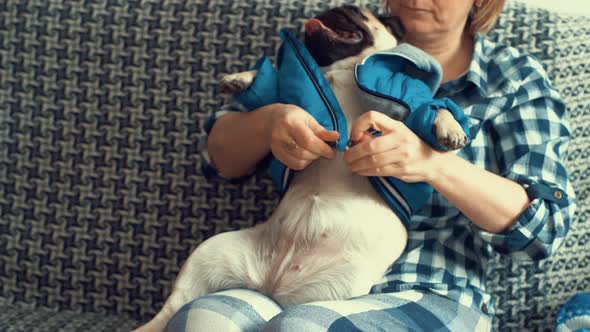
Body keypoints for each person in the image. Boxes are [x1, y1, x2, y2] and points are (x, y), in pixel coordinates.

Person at [172, 0, 577, 330]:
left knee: (303, 328)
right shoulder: (332, 44)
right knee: (201, 321)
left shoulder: (511, 79)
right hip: (285, 273)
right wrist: (270, 122)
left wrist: (433, 165)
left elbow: (544, 228)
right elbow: (217, 161)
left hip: (430, 289)